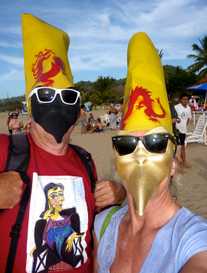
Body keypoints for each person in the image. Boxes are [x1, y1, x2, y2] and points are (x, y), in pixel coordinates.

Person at [0, 14, 125, 273]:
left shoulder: (85, 159)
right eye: (45, 95)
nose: (57, 104)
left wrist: (118, 194)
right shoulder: (6, 149)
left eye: (68, 97)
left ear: (79, 111)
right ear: (30, 107)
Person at [94, 32, 207, 273]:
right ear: (117, 162)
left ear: (174, 163)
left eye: (156, 142)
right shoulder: (102, 226)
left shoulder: (192, 239)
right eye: (126, 144)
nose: (140, 154)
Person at [175, 93, 192, 166]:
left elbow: (188, 118)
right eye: (184, 99)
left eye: (187, 99)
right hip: (176, 130)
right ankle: (181, 161)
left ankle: (183, 161)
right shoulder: (176, 107)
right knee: (177, 146)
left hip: (183, 130)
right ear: (180, 100)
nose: (185, 101)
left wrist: (184, 126)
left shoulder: (188, 108)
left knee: (182, 146)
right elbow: (173, 118)